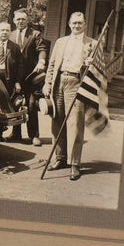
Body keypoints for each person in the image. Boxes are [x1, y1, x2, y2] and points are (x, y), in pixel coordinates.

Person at [44, 12, 98, 181]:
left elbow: (98, 71)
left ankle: (74, 163)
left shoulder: (93, 43)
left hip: (76, 83)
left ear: (85, 24)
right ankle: (60, 158)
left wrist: (91, 64)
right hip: (59, 81)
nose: (76, 26)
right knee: (57, 120)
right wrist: (47, 84)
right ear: (69, 24)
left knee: (75, 123)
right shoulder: (61, 42)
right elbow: (52, 64)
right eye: (74, 23)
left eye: (80, 23)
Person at [7, 9, 48, 145]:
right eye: (18, 19)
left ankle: (34, 135)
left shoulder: (35, 34)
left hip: (30, 76)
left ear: (27, 21)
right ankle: (16, 134)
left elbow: (42, 49)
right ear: (14, 21)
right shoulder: (10, 35)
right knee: (16, 104)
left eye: (23, 19)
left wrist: (41, 61)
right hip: (14, 78)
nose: (20, 22)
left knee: (31, 105)